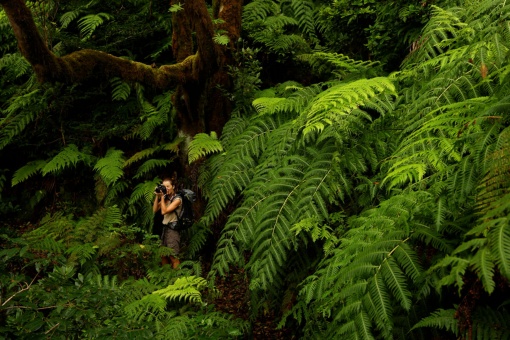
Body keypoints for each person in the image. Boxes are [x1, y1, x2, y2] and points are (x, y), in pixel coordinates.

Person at [153, 178, 182, 269]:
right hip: (165, 229)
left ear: (173, 186)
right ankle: (166, 276)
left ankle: (177, 279)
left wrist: (162, 197)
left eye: (168, 186)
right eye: (164, 187)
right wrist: (157, 196)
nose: (166, 188)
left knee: (173, 256)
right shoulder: (166, 199)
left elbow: (164, 211)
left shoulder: (177, 199)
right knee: (163, 255)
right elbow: (154, 210)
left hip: (173, 230)